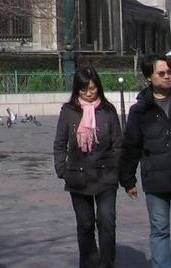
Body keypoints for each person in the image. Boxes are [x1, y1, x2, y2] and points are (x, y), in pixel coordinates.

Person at [119, 56, 171, 268]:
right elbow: (131, 145)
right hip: (156, 179)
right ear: (149, 78)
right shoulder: (140, 110)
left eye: (169, 72)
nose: (167, 77)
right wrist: (128, 179)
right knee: (159, 229)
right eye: (161, 73)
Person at [54, 67, 122, 268]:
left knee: (107, 221)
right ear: (77, 90)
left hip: (105, 174)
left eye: (93, 89)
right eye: (84, 90)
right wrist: (62, 169)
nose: (89, 93)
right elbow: (60, 143)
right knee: (85, 224)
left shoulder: (108, 111)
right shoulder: (69, 112)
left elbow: (118, 143)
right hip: (78, 176)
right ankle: (89, 263)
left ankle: (107, 263)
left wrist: (116, 167)